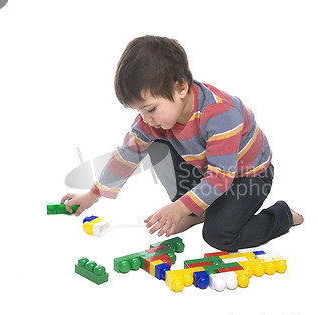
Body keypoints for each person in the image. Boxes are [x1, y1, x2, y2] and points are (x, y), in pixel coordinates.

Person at [61, 35, 303, 251]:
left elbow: (221, 178)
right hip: (206, 168)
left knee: (219, 235)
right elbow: (128, 154)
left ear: (180, 87)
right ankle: (199, 210)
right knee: (150, 142)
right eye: (140, 111)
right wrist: (92, 195)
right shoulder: (153, 120)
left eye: (151, 108)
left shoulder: (220, 114)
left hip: (246, 176)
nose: (145, 118)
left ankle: (282, 216)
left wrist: (178, 209)